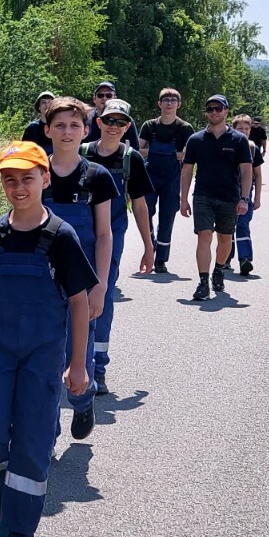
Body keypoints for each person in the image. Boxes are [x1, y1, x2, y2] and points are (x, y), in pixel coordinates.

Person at [0, 142, 94, 537]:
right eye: (10, 180)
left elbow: (79, 303)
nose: (18, 187)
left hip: (42, 357)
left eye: (27, 178)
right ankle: (1, 499)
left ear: (44, 179)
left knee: (32, 441)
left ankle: (21, 533)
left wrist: (78, 363)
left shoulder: (61, 237)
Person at [40, 96, 116, 440]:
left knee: (79, 352)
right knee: (44, 353)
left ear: (85, 131)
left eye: (74, 125)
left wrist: (100, 285)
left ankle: (83, 401)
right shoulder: (35, 174)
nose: (67, 132)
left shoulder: (97, 176)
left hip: (82, 281)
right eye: (59, 125)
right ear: (47, 130)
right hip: (40, 279)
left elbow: (104, 234)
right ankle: (47, 428)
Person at [79, 99, 155, 394]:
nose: (113, 126)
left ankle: (98, 367)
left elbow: (140, 205)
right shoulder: (82, 152)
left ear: (127, 127)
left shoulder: (130, 158)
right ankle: (72, 360)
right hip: (77, 232)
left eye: (120, 122)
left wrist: (149, 246)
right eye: (109, 120)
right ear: (98, 122)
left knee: (103, 296)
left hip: (112, 235)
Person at [178, 95, 253, 302]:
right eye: (210, 108)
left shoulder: (239, 140)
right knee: (204, 235)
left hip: (230, 197)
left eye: (218, 108)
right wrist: (183, 199)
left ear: (226, 111)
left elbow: (247, 171)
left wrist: (244, 198)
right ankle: (203, 282)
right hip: (203, 195)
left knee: (225, 238)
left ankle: (219, 269)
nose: (213, 112)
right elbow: (186, 171)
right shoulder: (196, 139)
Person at [139, 88, 194, 273]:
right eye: (165, 100)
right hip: (150, 176)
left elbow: (188, 155)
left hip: (172, 178)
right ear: (159, 104)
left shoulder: (185, 128)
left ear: (179, 104)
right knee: (145, 212)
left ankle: (161, 259)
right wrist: (173, 153)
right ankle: (151, 245)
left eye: (173, 100)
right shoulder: (149, 125)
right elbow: (138, 151)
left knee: (167, 217)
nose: (169, 103)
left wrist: (153, 152)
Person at [225, 113, 265, 275]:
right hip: (228, 192)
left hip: (246, 193)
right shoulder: (227, 146)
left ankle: (245, 259)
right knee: (227, 227)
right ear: (233, 129)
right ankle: (225, 259)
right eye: (240, 128)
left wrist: (257, 198)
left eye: (247, 128)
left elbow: (258, 175)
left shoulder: (252, 148)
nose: (244, 131)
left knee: (242, 224)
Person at [82, 80, 141, 150]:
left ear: (115, 98)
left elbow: (134, 147)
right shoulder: (85, 118)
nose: (104, 98)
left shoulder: (125, 120)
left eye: (109, 95)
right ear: (94, 99)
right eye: (100, 95)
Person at [21, 91, 58, 156]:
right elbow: (25, 150)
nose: (47, 105)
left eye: (50, 102)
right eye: (43, 102)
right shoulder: (32, 128)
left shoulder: (60, 126)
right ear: (39, 107)